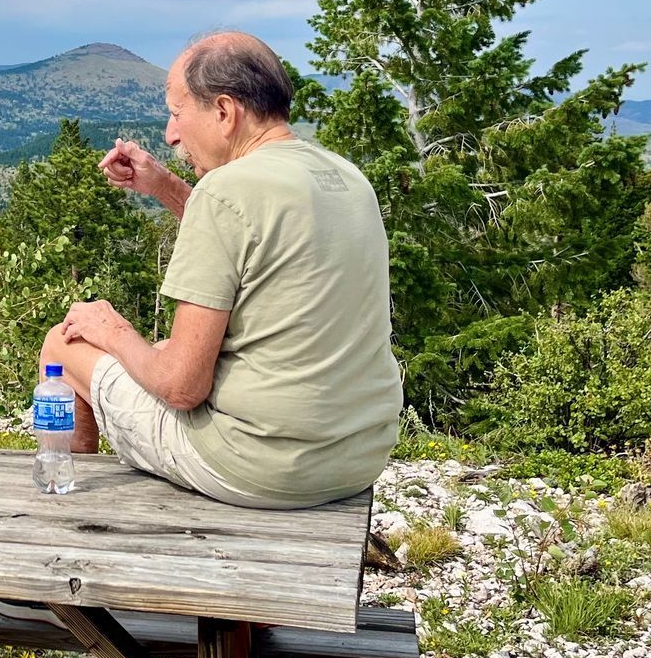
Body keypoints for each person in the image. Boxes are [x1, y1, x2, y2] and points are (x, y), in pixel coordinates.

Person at [38, 31, 403, 507]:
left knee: (66, 343)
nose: (170, 134)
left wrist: (112, 331)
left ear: (225, 112)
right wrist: (164, 184)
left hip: (257, 465)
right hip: (357, 455)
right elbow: (252, 239)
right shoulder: (346, 177)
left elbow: (181, 387)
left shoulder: (225, 191)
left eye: (176, 112)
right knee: (166, 348)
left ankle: (65, 508)